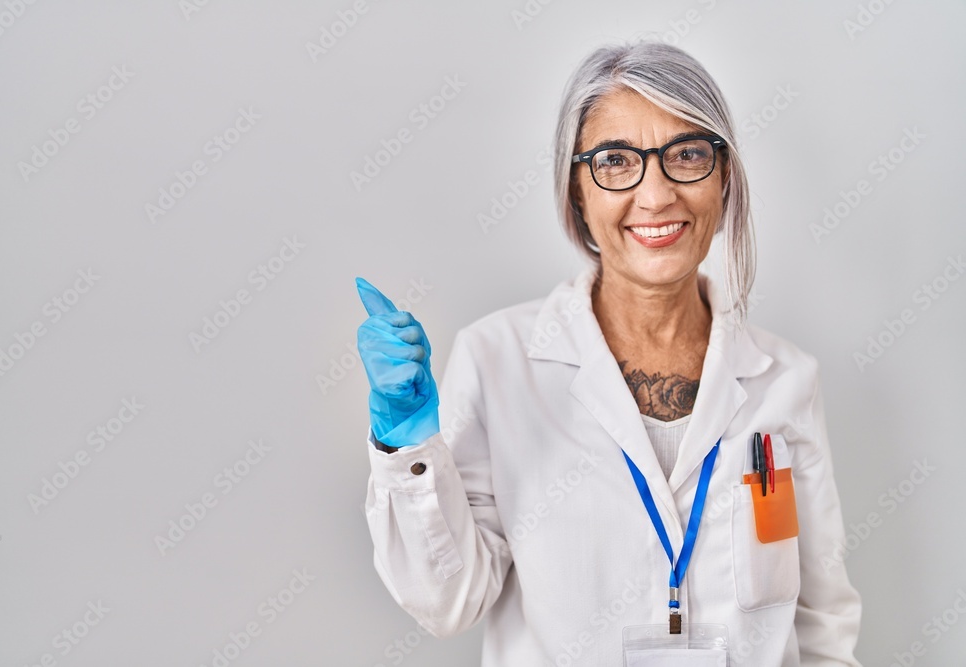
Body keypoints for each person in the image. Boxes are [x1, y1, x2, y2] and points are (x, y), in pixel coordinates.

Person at [355, 40, 861, 666]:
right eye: (616, 161)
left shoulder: (785, 380)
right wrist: (407, 444)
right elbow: (447, 601)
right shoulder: (496, 362)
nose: (656, 196)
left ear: (724, 178)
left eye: (687, 155)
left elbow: (822, 620)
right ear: (577, 191)